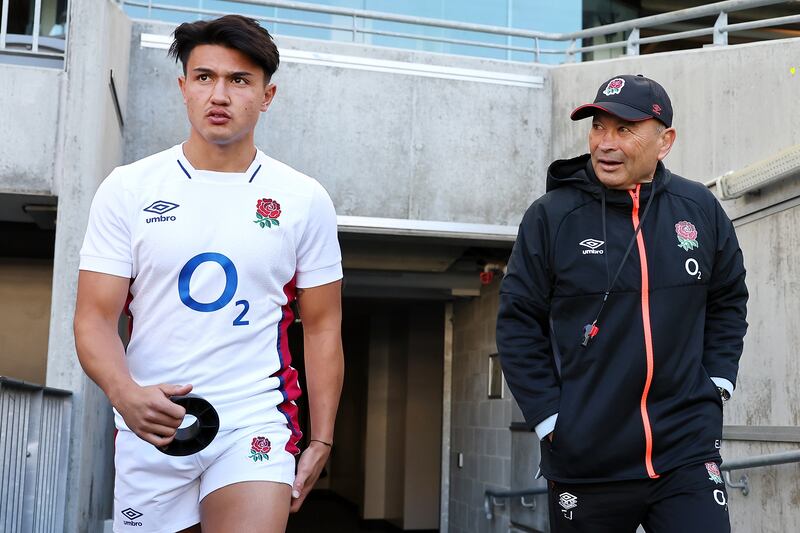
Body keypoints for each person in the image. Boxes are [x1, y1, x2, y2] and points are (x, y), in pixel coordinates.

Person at [73, 15, 344, 533]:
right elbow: (93, 319)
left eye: (239, 80)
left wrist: (321, 438)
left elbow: (324, 325)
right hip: (152, 424)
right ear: (183, 88)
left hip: (254, 420)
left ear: (267, 95)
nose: (219, 94)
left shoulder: (303, 199)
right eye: (204, 77)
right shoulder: (128, 189)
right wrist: (124, 394)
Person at [497, 74, 748, 533]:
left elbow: (729, 298)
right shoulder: (551, 217)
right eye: (598, 127)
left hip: (686, 453)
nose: (605, 143)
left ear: (664, 141)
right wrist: (551, 420)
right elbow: (517, 324)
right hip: (587, 461)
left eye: (624, 129)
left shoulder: (700, 209)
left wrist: (718, 381)